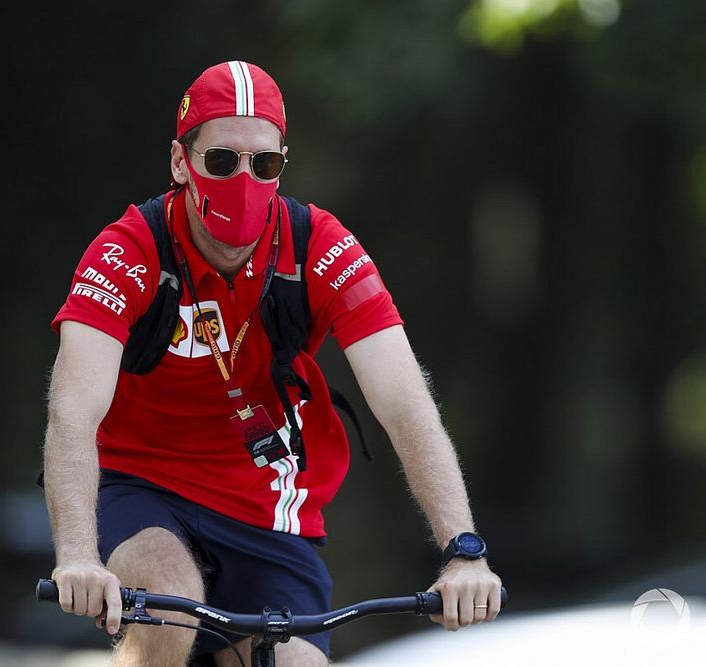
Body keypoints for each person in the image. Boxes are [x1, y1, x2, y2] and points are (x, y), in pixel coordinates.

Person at [43, 60, 503, 667]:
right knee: (169, 604)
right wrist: (77, 555)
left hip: (269, 505)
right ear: (181, 163)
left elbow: (405, 402)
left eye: (264, 163)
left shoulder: (320, 244)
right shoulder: (129, 248)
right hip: (142, 484)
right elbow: (73, 413)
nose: (244, 177)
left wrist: (464, 550)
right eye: (222, 160)